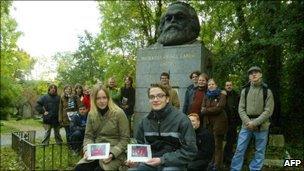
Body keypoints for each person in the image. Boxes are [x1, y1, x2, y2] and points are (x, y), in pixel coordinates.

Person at [125, 83, 197, 171]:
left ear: (167, 99)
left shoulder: (182, 120)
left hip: (174, 164)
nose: (155, 99)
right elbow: (138, 145)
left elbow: (190, 151)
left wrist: (162, 160)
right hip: (151, 162)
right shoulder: (145, 121)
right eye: (152, 97)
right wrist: (135, 160)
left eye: (160, 96)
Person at [75, 84, 130, 171]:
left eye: (104, 97)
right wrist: (86, 150)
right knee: (80, 168)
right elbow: (88, 136)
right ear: (94, 99)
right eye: (98, 98)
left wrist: (112, 154)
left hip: (114, 152)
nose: (102, 101)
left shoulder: (119, 113)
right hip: (95, 151)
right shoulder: (91, 114)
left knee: (99, 169)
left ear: (108, 98)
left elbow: (125, 139)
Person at [231, 66, 274, 171]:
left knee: (260, 150)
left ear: (261, 74)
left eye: (256, 72)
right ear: (249, 76)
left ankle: (255, 169)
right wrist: (248, 122)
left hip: (262, 126)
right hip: (246, 126)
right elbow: (241, 109)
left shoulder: (267, 91)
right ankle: (235, 169)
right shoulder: (245, 91)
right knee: (240, 149)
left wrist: (254, 123)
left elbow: (268, 111)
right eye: (251, 73)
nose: (254, 74)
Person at [201, 78, 227, 171]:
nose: (211, 86)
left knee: (218, 145)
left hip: (219, 123)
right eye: (209, 85)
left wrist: (207, 110)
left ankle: (217, 166)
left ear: (216, 85)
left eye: (212, 84)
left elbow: (219, 108)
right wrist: (210, 109)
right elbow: (202, 108)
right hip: (208, 123)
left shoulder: (222, 95)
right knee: (211, 144)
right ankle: (212, 163)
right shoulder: (206, 95)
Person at [223, 81, 240, 167]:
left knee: (231, 141)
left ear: (232, 86)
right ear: (225, 87)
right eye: (227, 85)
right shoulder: (222, 95)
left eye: (230, 85)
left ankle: (228, 158)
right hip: (223, 121)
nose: (229, 86)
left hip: (233, 122)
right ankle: (223, 158)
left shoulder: (237, 95)